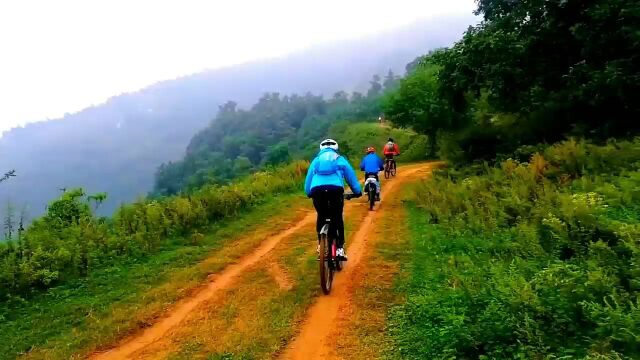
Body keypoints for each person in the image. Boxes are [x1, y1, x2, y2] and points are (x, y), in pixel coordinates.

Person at [304, 139, 362, 260]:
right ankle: (340, 249)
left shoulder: (316, 161)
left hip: (317, 191)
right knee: (337, 217)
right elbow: (350, 177)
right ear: (335, 148)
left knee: (321, 215)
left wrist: (309, 193)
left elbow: (308, 179)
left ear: (321, 149)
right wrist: (357, 192)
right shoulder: (339, 159)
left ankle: (321, 245)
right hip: (335, 190)